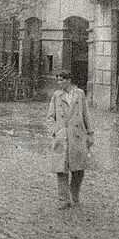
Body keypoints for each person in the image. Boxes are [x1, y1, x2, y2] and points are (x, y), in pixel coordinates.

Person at [46, 69, 94, 210]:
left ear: (68, 80)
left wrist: (90, 133)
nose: (59, 83)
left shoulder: (80, 94)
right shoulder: (56, 96)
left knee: (79, 169)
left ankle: (74, 192)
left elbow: (86, 114)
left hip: (77, 135)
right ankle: (64, 199)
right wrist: (55, 131)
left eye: (61, 80)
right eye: (58, 80)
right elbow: (50, 117)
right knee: (61, 169)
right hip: (62, 137)